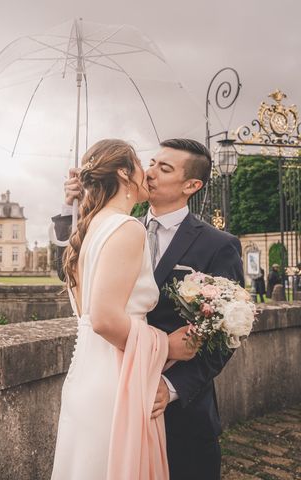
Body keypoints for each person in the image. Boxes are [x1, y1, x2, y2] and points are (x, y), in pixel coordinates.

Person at [52, 138, 244, 480]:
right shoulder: (120, 226)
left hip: (179, 408)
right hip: (116, 389)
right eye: (152, 163)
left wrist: (170, 387)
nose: (151, 172)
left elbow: (226, 332)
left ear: (192, 185)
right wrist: (71, 211)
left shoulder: (220, 245)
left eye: (164, 168)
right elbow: (75, 273)